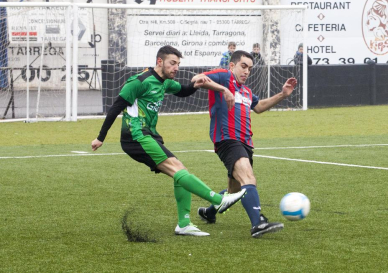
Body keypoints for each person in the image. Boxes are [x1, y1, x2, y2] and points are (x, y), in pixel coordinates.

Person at [91, 45, 246, 237]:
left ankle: (184, 224)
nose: (176, 68)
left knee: (179, 170)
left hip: (148, 134)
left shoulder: (164, 82)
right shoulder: (139, 81)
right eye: (172, 63)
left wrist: (197, 84)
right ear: (159, 62)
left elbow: (184, 91)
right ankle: (218, 200)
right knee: (177, 168)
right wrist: (100, 137)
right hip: (135, 136)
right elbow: (115, 108)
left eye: (178, 64)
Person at [195, 50, 297, 238]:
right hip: (227, 140)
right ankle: (257, 223)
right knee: (249, 179)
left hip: (245, 144)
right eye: (243, 66)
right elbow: (197, 79)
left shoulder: (246, 91)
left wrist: (282, 95)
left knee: (234, 190)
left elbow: (258, 107)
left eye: (249, 68)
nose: (247, 71)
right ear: (232, 66)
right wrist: (223, 89)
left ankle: (208, 212)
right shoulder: (224, 77)